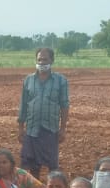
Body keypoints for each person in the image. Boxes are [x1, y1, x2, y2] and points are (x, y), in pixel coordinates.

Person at [17, 47, 69, 177]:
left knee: (52, 165)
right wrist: (20, 128)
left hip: (50, 129)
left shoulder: (60, 80)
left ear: (52, 60)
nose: (41, 62)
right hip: (32, 129)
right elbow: (23, 104)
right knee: (33, 166)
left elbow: (64, 105)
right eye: (39, 59)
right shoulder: (28, 80)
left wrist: (62, 129)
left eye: (45, 59)